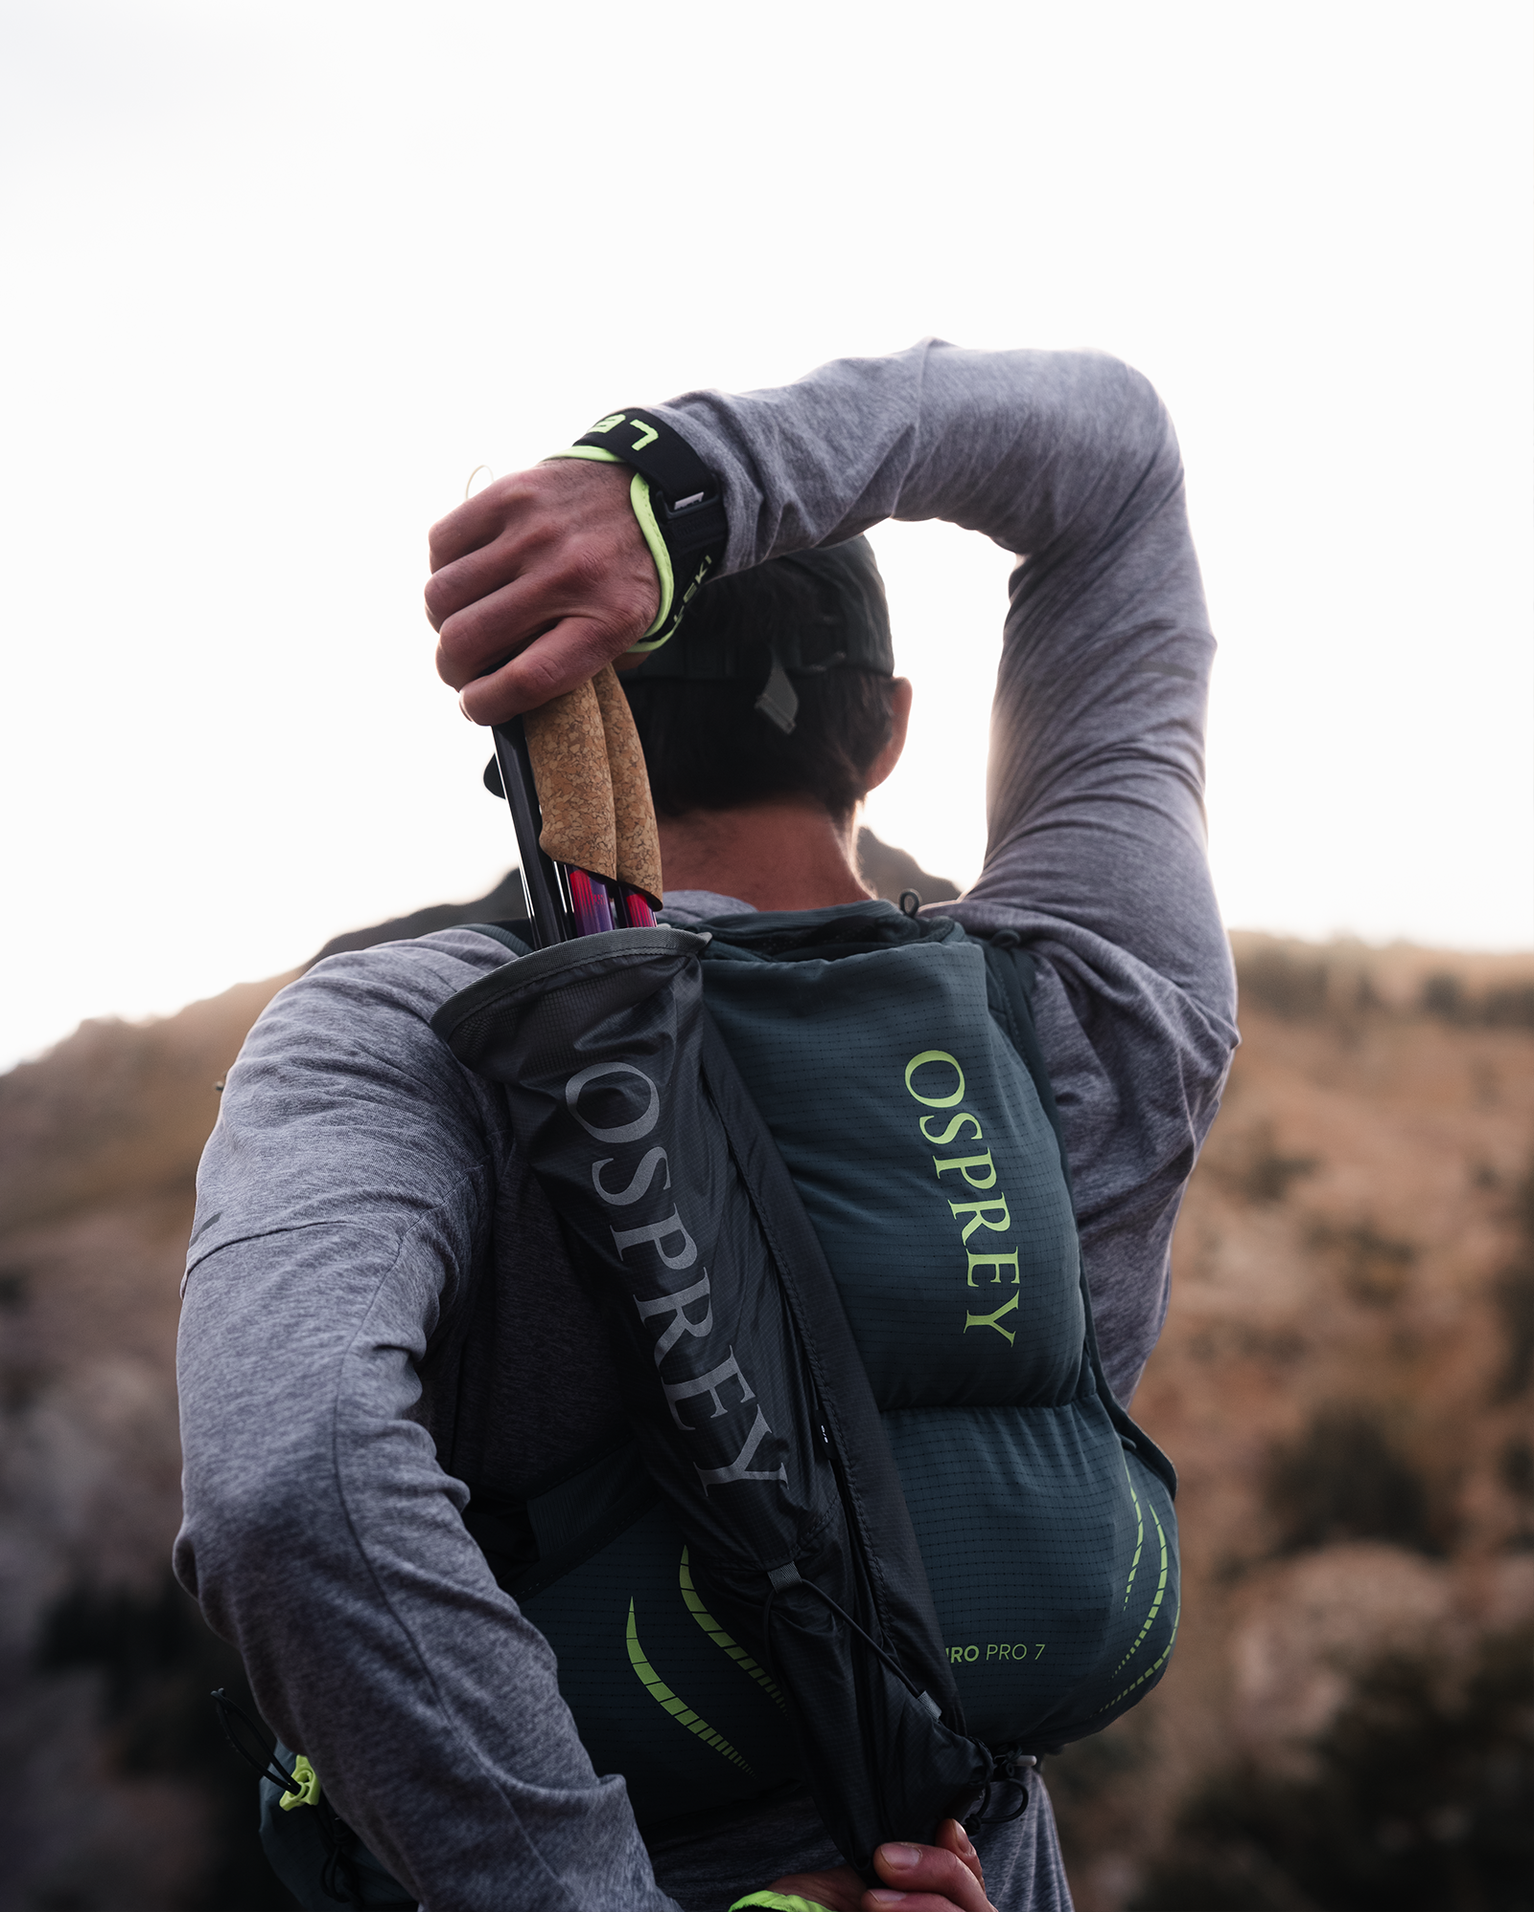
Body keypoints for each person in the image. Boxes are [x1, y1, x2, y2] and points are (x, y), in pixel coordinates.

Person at [174, 340, 1238, 1911]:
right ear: (883, 731)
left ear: (549, 739)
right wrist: (677, 482)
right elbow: (1114, 465)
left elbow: (289, 1486)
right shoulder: (1100, 1003)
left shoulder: (408, 1035)